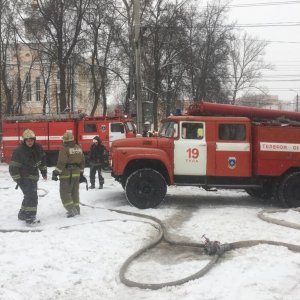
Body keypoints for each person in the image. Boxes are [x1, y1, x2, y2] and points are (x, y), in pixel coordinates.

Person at [9, 129, 47, 224]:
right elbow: (13, 167)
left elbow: (42, 161)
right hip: (24, 177)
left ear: (34, 140)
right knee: (32, 197)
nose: (30, 142)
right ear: (24, 141)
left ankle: (22, 214)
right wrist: (18, 180)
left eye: (31, 140)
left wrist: (44, 172)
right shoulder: (19, 151)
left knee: (28, 196)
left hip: (34, 177)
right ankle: (30, 217)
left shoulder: (38, 148)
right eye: (28, 141)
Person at [52, 131, 85, 217]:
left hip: (67, 174)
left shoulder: (64, 148)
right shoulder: (78, 147)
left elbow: (62, 161)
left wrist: (56, 172)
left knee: (65, 193)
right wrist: (81, 173)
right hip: (76, 174)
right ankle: (77, 209)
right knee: (75, 193)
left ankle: (71, 210)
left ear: (65, 141)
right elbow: (83, 161)